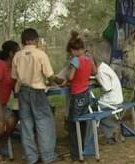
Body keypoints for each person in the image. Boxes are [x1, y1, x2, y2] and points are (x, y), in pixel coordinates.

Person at [11, 28, 59, 164]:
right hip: (37, 92)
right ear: (33, 40)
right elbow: (49, 75)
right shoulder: (40, 54)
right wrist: (51, 82)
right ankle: (47, 156)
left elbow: (14, 77)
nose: (38, 42)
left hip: (23, 92)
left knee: (26, 124)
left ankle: (31, 157)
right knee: (44, 123)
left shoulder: (17, 56)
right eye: (37, 40)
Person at [65, 31, 96, 161]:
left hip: (76, 94)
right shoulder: (89, 59)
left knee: (73, 124)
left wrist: (68, 76)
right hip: (86, 93)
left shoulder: (76, 60)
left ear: (73, 50)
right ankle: (82, 148)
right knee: (82, 123)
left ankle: (75, 155)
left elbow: (71, 77)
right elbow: (95, 71)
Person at [95, 59, 124, 144]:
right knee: (97, 107)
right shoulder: (104, 66)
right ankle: (111, 136)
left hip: (112, 100)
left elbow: (107, 88)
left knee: (92, 110)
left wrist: (97, 79)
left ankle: (114, 129)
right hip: (117, 98)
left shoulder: (100, 71)